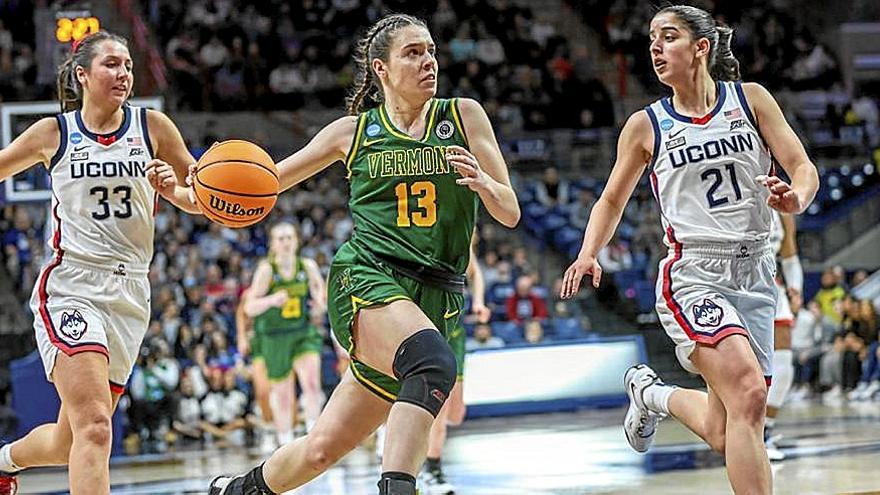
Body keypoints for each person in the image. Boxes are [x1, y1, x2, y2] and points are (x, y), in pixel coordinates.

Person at [209, 13, 519, 495]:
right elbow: (265, 184)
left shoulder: (464, 116)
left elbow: (510, 211)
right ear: (381, 68)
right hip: (368, 278)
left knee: (322, 448)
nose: (428, 62)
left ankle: (235, 491)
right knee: (434, 364)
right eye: (412, 53)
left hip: (434, 296)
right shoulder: (351, 133)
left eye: (431, 51)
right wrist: (189, 194)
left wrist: (483, 183)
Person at [560, 5, 818, 494]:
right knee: (748, 394)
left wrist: (796, 196)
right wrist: (588, 251)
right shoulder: (646, 125)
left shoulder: (752, 101)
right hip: (695, 272)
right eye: (652, 39)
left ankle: (652, 394)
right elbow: (612, 198)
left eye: (669, 37)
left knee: (728, 428)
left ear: (701, 47)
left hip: (758, 272)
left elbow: (803, 167)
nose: (655, 48)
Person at [0, 31, 199, 495]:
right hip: (72, 287)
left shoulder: (154, 127)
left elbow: (202, 196)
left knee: (69, 439)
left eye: (128, 65)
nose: (124, 74)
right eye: (111, 64)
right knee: (95, 429)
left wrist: (174, 192)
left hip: (130, 295)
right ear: (82, 75)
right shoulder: (55, 133)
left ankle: (3, 461)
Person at [241, 222, 327, 450]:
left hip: (302, 331)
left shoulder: (307, 266)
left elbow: (320, 290)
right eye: (281, 238)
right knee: (283, 392)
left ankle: (313, 436)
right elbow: (249, 308)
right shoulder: (267, 270)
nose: (286, 242)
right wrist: (270, 301)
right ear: (273, 244)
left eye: (290, 237)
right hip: (274, 336)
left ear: (297, 241)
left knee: (311, 382)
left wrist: (319, 303)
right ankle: (286, 441)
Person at [421, 240, 490, 493]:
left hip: (456, 333)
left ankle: (422, 436)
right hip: (431, 332)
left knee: (456, 413)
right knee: (442, 407)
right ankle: (433, 470)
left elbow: (476, 273)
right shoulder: (422, 241)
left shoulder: (459, 242)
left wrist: (479, 301)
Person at [764, 210, 802, 461]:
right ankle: (741, 431)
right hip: (732, 284)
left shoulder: (781, 203)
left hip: (770, 286)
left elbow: (789, 255)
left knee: (784, 366)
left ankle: (764, 430)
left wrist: (795, 289)